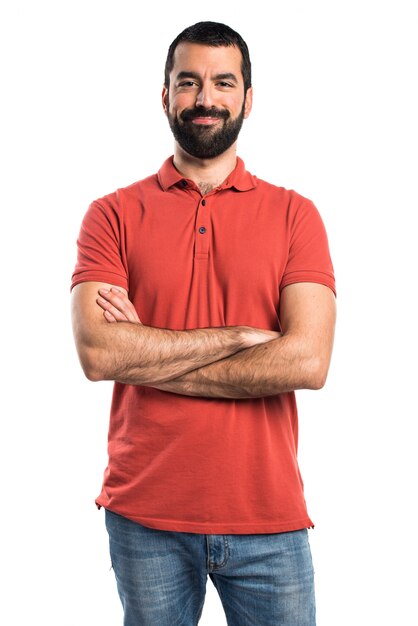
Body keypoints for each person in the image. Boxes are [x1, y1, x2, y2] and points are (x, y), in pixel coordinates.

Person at [71, 20, 336, 626]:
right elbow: (98, 355)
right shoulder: (111, 215)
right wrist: (242, 339)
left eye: (223, 82)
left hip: (268, 516)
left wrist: (148, 349)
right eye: (188, 82)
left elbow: (307, 362)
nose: (206, 98)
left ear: (247, 97)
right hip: (145, 515)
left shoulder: (296, 215)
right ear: (165, 95)